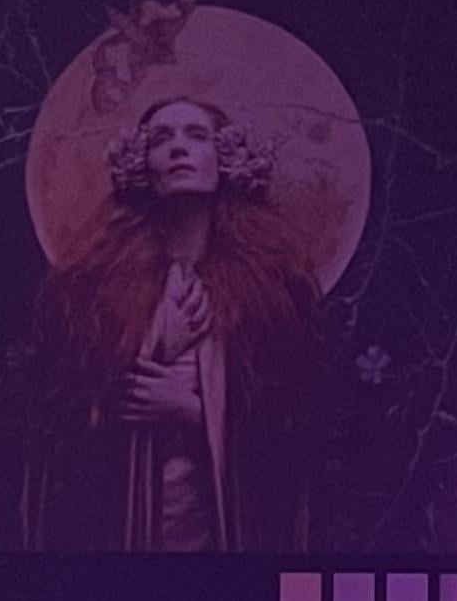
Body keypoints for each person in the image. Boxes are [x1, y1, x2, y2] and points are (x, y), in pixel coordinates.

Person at [28, 94, 330, 551]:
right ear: (141, 165)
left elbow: (297, 427)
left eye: (197, 135)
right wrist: (127, 377)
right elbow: (61, 423)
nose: (178, 147)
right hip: (122, 530)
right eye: (160, 139)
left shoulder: (269, 294)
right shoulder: (94, 289)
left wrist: (197, 410)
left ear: (225, 159)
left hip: (224, 534)